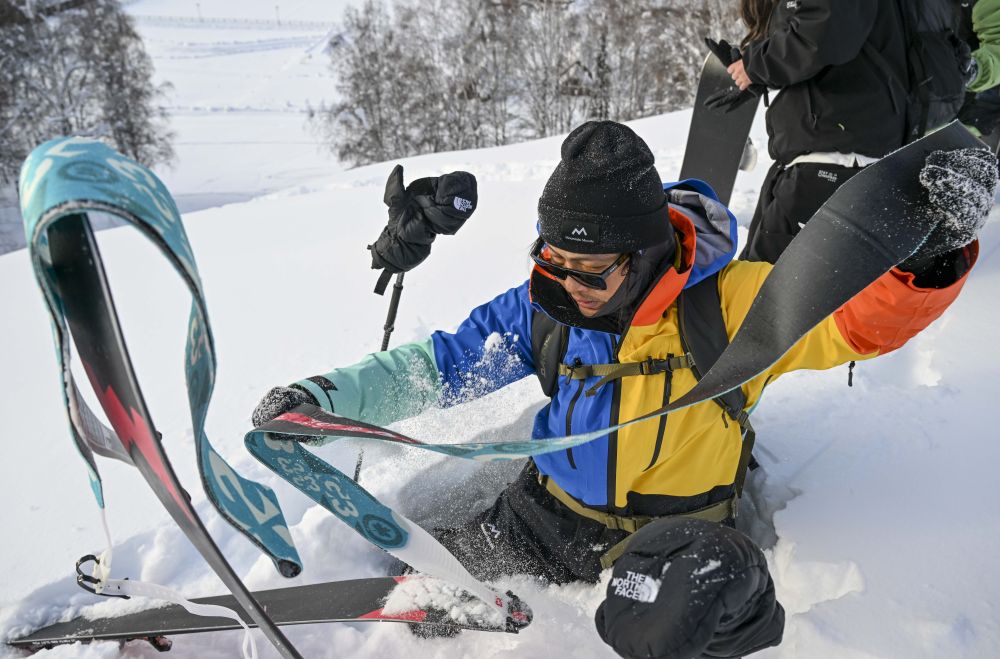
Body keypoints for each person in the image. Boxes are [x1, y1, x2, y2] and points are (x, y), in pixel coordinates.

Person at [253, 121, 994, 658]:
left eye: (591, 270)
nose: (570, 287)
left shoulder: (731, 306)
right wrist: (326, 397)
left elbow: (854, 322)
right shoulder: (548, 299)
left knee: (671, 631)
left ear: (643, 255)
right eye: (555, 262)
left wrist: (927, 257)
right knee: (418, 596)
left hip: (670, 537)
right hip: (542, 516)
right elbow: (443, 363)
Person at [723, 0, 911, 264]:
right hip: (822, 153)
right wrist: (757, 75)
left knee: (762, 289)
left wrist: (757, 65)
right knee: (756, 278)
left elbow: (825, 32)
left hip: (836, 155)